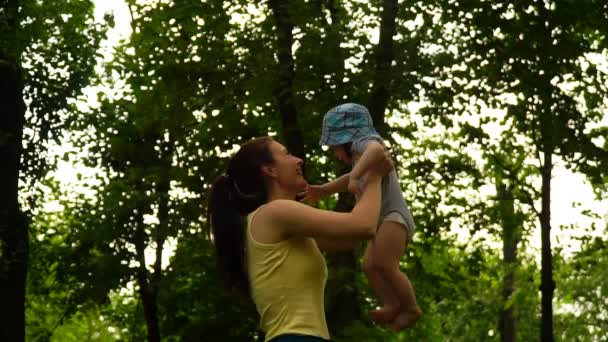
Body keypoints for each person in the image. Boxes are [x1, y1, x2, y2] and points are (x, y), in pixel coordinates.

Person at [207, 136, 393, 342]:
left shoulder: (282, 226)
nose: (298, 160)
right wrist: (374, 177)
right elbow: (363, 226)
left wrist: (364, 177)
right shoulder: (275, 212)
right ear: (270, 170)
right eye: (286, 154)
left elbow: (349, 239)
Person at [301, 103, 422, 332]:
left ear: (347, 140)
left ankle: (410, 307)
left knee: (386, 264)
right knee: (369, 266)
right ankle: (392, 303)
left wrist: (356, 177)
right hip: (383, 221)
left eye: (336, 147)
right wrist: (325, 189)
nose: (336, 153)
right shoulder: (359, 159)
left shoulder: (365, 143)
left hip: (394, 216)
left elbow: (376, 151)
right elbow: (348, 178)